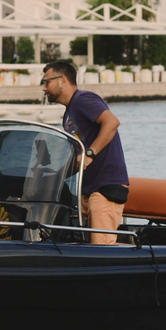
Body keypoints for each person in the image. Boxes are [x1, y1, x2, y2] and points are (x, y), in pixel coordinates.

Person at [41, 61, 129, 245]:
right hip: (87, 189)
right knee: (80, 244)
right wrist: (54, 175)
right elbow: (77, 156)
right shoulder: (69, 113)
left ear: (62, 80)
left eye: (46, 82)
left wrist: (90, 154)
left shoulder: (83, 99)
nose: (44, 88)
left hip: (105, 187)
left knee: (101, 248)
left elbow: (112, 122)